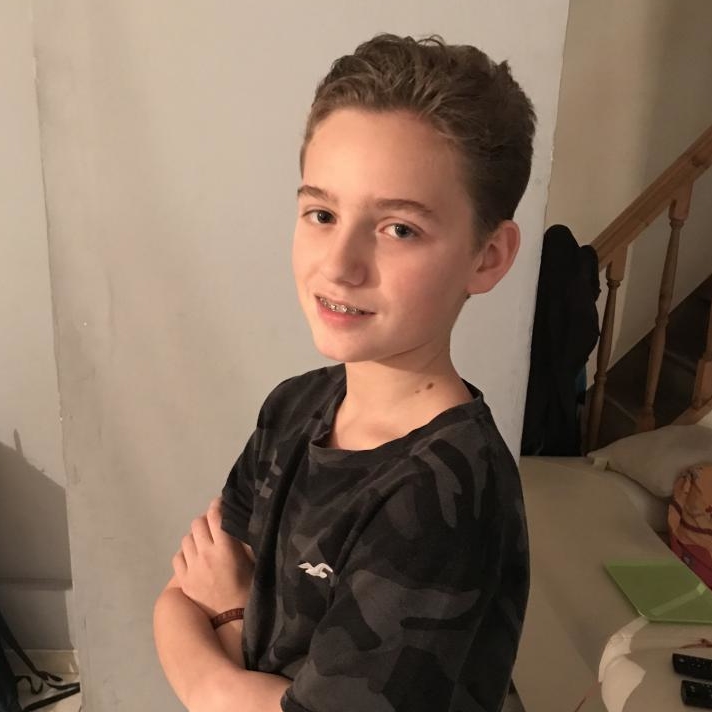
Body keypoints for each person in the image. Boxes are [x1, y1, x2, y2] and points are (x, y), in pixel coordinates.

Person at [154, 33, 535, 712]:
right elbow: (180, 596)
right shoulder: (296, 406)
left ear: (488, 256)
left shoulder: (441, 497)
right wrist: (233, 662)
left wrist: (229, 626)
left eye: (399, 229)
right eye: (322, 214)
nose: (338, 264)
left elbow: (207, 613)